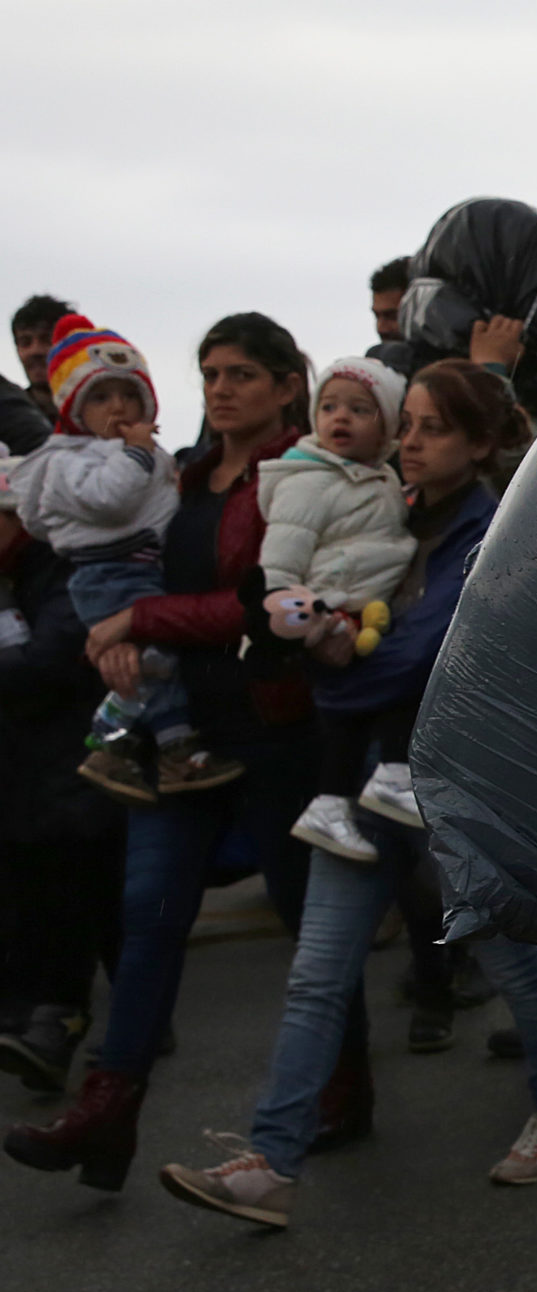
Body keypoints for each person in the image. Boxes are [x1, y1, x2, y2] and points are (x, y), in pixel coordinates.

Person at [155, 360, 537, 1226]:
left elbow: (408, 659)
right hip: (357, 785)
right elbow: (304, 627)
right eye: (409, 424)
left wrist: (331, 657)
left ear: (482, 444)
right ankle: (272, 1160)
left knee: (508, 957)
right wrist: (304, 639)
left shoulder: (488, 532)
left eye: (433, 428)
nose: (411, 442)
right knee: (316, 972)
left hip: (450, 786)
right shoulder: (384, 510)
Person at [3, 312, 318, 1193]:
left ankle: (339, 1090)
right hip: (181, 741)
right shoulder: (177, 474)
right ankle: (106, 1116)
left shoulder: (302, 476)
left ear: (287, 385)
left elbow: (267, 605)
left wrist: (141, 621)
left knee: (309, 926)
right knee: (147, 925)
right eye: (209, 372)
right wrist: (118, 643)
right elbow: (120, 575)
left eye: (242, 374)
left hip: (272, 727)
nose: (220, 389)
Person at [13, 316, 240, 800]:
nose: (117, 406)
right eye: (100, 396)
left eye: (128, 394)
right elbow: (109, 498)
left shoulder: (132, 452)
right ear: (73, 407)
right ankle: (150, 744)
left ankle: (128, 748)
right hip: (110, 575)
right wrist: (137, 456)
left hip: (139, 570)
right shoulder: (71, 461)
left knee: (153, 663)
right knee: (154, 662)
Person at [252, 355, 416, 862]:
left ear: (387, 427)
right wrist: (307, 621)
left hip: (362, 612)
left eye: (359, 409)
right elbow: (278, 564)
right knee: (380, 694)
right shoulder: (309, 482)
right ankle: (382, 777)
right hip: (327, 614)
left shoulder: (376, 480)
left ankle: (332, 803)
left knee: (352, 718)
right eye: (329, 407)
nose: (340, 418)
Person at [0, 465, 122, 1092]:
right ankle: (44, 1026)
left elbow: (52, 658)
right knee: (45, 895)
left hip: (75, 762)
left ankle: (89, 1024)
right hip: (28, 774)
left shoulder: (60, 563)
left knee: (87, 892)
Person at [11, 294, 75, 411]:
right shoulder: (8, 414)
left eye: (47, 340)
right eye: (25, 342)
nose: (35, 351)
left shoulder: (102, 414)